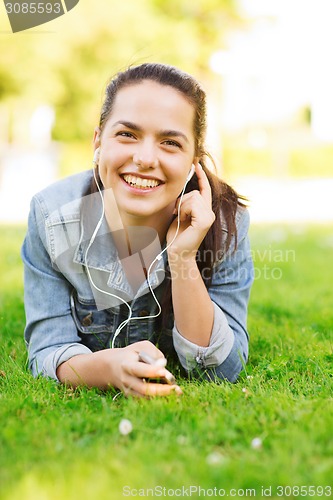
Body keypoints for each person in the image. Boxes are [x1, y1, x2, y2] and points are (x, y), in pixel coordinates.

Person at [21, 62, 254, 397]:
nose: (145, 158)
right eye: (127, 135)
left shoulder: (227, 223)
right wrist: (106, 368)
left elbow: (223, 370)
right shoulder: (53, 217)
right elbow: (48, 349)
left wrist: (183, 258)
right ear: (98, 141)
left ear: (194, 161)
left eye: (170, 142)